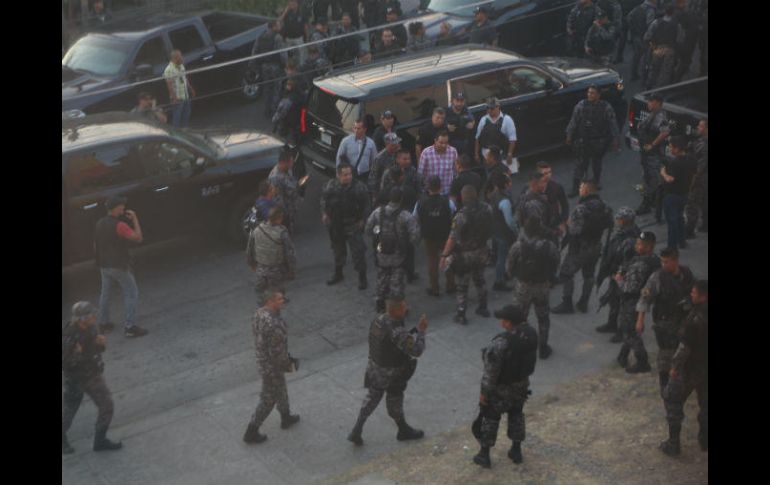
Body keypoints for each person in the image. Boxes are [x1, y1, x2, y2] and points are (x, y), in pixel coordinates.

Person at [348, 296, 428, 445]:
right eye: (403, 307)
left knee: (371, 399)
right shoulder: (397, 330)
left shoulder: (378, 320)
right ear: (395, 310)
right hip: (392, 373)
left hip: (375, 367)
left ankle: (357, 429)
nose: (406, 308)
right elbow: (416, 350)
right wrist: (422, 331)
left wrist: (413, 331)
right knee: (395, 398)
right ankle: (403, 430)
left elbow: (392, 341)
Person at [471, 305, 538, 468]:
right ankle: (516, 450)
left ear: (508, 323)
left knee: (491, 418)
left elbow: (490, 374)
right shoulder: (530, 334)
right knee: (516, 415)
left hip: (501, 390)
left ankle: (484, 454)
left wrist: (484, 394)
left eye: (503, 319)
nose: (501, 322)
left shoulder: (500, 343)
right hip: (521, 386)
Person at [62, 301, 123, 454]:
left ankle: (100, 441)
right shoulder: (69, 336)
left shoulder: (91, 328)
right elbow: (66, 363)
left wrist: (101, 344)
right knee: (69, 411)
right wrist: (77, 354)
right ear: (82, 319)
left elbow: (96, 349)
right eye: (91, 315)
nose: (94, 317)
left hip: (92, 374)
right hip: (76, 379)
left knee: (107, 405)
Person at [243, 289, 301, 444]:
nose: (284, 301)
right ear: (270, 301)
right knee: (268, 398)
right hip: (272, 366)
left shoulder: (259, 313)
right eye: (280, 299)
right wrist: (288, 364)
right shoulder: (274, 324)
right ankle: (251, 431)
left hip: (263, 360)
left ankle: (286, 416)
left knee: (280, 388)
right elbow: (277, 352)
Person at [635, 247, 695, 394]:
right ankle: (665, 386)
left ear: (675, 261)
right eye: (662, 261)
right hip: (665, 324)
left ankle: (683, 382)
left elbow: (695, 291)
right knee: (666, 356)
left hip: (684, 321)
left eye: (666, 262)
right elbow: (645, 298)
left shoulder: (686, 273)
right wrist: (640, 320)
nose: (663, 265)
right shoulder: (658, 277)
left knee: (685, 352)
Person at [659, 279, 708, 456]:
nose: (691, 295)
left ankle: (673, 444)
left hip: (691, 368)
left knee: (672, 398)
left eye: (694, 293)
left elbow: (684, 348)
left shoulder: (694, 320)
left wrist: (674, 367)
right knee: (706, 403)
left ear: (703, 296)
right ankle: (705, 439)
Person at [552, 181, 613, 314]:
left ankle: (567, 303)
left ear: (586, 190)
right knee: (589, 274)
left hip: (579, 247)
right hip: (596, 245)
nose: (579, 189)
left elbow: (574, 231)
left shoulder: (581, 209)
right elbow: (610, 225)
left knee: (566, 273)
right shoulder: (605, 206)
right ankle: (583, 302)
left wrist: (569, 225)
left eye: (581, 187)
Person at [506, 218, 561, 359]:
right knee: (543, 317)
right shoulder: (549, 245)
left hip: (523, 287)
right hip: (542, 286)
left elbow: (509, 266)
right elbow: (556, 262)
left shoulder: (518, 246)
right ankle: (543, 348)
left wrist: (515, 276)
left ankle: (519, 347)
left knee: (519, 318)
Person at [95, 196, 148, 338]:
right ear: (116, 208)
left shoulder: (99, 223)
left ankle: (104, 323)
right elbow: (138, 238)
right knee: (131, 292)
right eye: (122, 206)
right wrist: (135, 219)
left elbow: (96, 244)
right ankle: (130, 327)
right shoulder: (120, 225)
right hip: (118, 265)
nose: (124, 207)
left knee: (105, 293)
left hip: (104, 265)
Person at [440, 185, 493, 325]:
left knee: (462, 285)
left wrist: (444, 255)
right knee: (480, 280)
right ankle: (483, 307)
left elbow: (452, 238)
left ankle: (461, 314)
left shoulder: (461, 216)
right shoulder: (487, 208)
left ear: (463, 198)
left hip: (465, 255)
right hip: (482, 251)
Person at [366, 187, 421, 312]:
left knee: (382, 277)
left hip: (382, 252)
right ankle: (398, 309)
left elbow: (368, 229)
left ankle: (380, 303)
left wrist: (377, 237)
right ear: (401, 199)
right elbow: (415, 235)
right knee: (397, 282)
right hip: (399, 255)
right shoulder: (405, 216)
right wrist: (409, 245)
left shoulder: (378, 212)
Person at [615, 231, 660, 373]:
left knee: (629, 331)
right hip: (640, 299)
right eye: (637, 243)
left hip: (632, 300)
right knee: (629, 329)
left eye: (641, 244)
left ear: (649, 246)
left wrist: (618, 281)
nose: (637, 246)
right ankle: (622, 356)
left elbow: (629, 288)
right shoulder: (653, 259)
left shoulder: (641, 264)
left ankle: (642, 361)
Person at [321, 162, 371, 289]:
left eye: (349, 174)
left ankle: (362, 278)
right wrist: (325, 213)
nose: (348, 177)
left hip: (353, 223)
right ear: (338, 175)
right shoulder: (331, 186)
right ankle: (338, 274)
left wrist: (363, 220)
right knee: (338, 251)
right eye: (344, 175)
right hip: (336, 224)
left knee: (358, 252)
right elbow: (323, 200)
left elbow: (367, 204)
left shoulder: (359, 187)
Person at [595, 207, 640, 342]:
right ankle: (612, 324)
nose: (617, 221)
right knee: (613, 300)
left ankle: (622, 331)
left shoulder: (631, 239)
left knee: (624, 305)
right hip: (615, 273)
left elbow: (628, 260)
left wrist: (620, 273)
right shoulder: (621, 233)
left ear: (625, 221)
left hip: (624, 276)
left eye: (619, 219)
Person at [565, 85, 620, 197]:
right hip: (584, 140)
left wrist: (616, 139)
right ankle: (576, 188)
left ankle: (596, 181)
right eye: (589, 92)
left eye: (593, 93)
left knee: (597, 163)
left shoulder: (606, 107)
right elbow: (574, 121)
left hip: (598, 141)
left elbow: (612, 123)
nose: (589, 95)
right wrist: (569, 135)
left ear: (599, 95)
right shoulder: (581, 105)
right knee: (580, 165)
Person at [414, 176, 457, 297]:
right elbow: (454, 213)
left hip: (429, 235)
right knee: (447, 257)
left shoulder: (420, 202)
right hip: (445, 234)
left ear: (428, 188)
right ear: (440, 187)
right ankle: (450, 285)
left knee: (432, 260)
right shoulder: (447, 201)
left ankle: (435, 287)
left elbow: (415, 218)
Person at [247, 206, 297, 305]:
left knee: (261, 293)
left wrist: (251, 263)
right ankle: (277, 303)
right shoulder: (282, 233)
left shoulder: (257, 229)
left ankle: (262, 308)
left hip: (261, 269)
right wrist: (292, 270)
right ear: (280, 218)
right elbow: (290, 254)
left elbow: (249, 249)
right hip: (276, 270)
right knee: (277, 290)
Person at [635, 93, 670, 215]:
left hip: (653, 155)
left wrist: (653, 144)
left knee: (652, 179)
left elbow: (665, 132)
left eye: (651, 101)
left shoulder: (660, 116)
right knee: (648, 177)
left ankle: (649, 203)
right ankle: (651, 202)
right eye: (648, 101)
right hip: (647, 153)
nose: (648, 103)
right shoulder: (653, 114)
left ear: (658, 102)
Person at [660, 136, 695, 250]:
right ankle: (682, 242)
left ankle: (671, 247)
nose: (670, 150)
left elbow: (670, 179)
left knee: (672, 221)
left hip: (672, 195)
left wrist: (663, 172)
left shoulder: (675, 163)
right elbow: (695, 174)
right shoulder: (690, 159)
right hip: (684, 194)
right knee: (680, 218)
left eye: (671, 147)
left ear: (678, 148)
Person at [488, 172, 518, 292]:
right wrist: (516, 230)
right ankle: (499, 281)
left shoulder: (495, 194)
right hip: (504, 232)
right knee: (502, 256)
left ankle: (504, 274)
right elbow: (509, 220)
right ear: (506, 184)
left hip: (495, 229)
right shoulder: (504, 200)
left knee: (502, 255)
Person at [643, 5, 684, 89]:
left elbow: (647, 36)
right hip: (670, 50)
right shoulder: (677, 25)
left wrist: (651, 47)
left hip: (657, 48)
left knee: (654, 69)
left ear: (665, 12)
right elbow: (680, 40)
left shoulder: (656, 22)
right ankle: (659, 90)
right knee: (665, 72)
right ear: (673, 13)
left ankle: (648, 88)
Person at [269, 149, 306, 237]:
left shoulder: (287, 170)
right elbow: (278, 200)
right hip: (285, 215)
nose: (292, 164)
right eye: (290, 162)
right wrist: (285, 217)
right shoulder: (275, 178)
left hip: (291, 210)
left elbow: (290, 182)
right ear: (284, 163)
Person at [516, 172, 560, 245]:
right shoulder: (532, 204)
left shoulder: (530, 194)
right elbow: (537, 226)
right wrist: (553, 232)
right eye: (543, 182)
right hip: (537, 241)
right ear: (534, 184)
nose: (545, 185)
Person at [256, 20, 288, 118]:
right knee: (276, 89)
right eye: (278, 25)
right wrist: (285, 65)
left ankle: (266, 110)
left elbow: (255, 51)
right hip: (275, 66)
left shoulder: (260, 36)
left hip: (264, 66)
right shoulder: (277, 37)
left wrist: (256, 65)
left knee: (267, 88)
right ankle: (275, 111)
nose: (279, 27)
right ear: (274, 26)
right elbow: (283, 54)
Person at [475, 97, 517, 170]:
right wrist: (476, 154)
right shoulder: (483, 120)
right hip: (487, 155)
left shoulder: (507, 119)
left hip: (502, 154)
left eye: (492, 108)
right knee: (490, 177)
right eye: (488, 108)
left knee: (504, 176)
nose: (489, 110)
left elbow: (512, 139)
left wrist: (509, 154)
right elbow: (477, 138)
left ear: (498, 107)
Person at [684, 119, 708, 236]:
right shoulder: (700, 141)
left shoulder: (704, 146)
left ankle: (689, 230)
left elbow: (700, 166)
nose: (698, 127)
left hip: (701, 177)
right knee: (704, 201)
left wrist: (692, 180)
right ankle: (705, 225)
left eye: (701, 126)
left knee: (692, 202)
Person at [536, 162, 569, 243]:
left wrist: (562, 221)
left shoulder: (557, 187)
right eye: (545, 173)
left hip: (553, 224)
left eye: (549, 172)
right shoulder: (531, 188)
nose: (548, 175)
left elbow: (565, 205)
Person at [336, 119, 378, 183]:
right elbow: (339, 158)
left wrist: (372, 177)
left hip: (364, 176)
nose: (356, 131)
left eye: (358, 128)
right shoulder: (346, 141)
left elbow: (374, 161)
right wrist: (338, 174)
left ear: (364, 129)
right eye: (354, 128)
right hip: (350, 175)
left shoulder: (371, 143)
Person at [418, 131, 457, 198]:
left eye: (446, 143)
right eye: (441, 143)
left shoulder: (453, 151)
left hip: (447, 192)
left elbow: (455, 172)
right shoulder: (426, 153)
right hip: (431, 193)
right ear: (435, 141)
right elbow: (420, 174)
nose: (444, 145)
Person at [626, 0, 658, 80]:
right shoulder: (651, 10)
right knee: (646, 58)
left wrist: (633, 29)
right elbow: (649, 24)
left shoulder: (638, 7)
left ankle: (633, 75)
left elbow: (628, 17)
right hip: (644, 37)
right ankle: (644, 78)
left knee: (636, 56)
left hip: (636, 35)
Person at [163, 49, 196, 128]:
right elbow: (169, 85)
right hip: (177, 97)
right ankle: (176, 132)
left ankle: (185, 129)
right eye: (180, 56)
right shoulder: (168, 70)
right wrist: (174, 98)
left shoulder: (181, 66)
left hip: (185, 95)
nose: (182, 58)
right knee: (177, 116)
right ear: (175, 58)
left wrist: (191, 89)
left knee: (187, 113)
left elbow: (185, 78)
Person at [369, 131, 401, 205]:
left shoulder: (399, 153)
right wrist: (375, 195)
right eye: (394, 144)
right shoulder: (379, 158)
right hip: (384, 191)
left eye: (397, 143)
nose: (396, 145)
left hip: (397, 189)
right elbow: (373, 177)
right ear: (387, 144)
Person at [672, 0, 699, 81]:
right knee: (685, 62)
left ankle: (672, 77)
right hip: (685, 42)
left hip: (679, 42)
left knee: (678, 60)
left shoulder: (677, 13)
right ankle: (675, 81)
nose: (687, 3)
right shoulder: (684, 14)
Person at [272, 79, 304, 143]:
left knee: (286, 131)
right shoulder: (298, 94)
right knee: (293, 130)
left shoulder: (289, 97)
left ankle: (288, 142)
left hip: (289, 117)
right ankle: (294, 141)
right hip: (295, 116)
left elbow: (282, 110)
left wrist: (275, 119)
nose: (287, 86)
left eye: (288, 85)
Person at [280, 0, 309, 66]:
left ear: (297, 3)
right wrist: (285, 11)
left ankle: (302, 67)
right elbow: (279, 22)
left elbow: (305, 27)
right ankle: (288, 67)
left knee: (302, 54)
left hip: (299, 38)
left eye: (293, 2)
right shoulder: (286, 13)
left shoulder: (302, 13)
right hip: (288, 38)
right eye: (290, 2)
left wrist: (307, 38)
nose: (291, 3)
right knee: (287, 55)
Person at [445, 92, 475, 156]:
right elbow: (440, 124)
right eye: (457, 100)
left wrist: (471, 124)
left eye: (461, 101)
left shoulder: (466, 110)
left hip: (465, 142)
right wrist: (447, 126)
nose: (459, 103)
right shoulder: (447, 111)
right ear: (452, 101)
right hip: (451, 144)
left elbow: (472, 120)